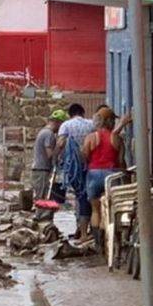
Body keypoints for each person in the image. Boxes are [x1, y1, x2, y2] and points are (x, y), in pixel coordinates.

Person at [81, 108, 126, 244]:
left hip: (93, 175)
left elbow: (85, 156)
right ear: (110, 121)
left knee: (95, 210)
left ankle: (98, 243)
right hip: (112, 175)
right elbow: (121, 161)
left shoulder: (91, 137)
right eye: (113, 120)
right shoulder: (117, 138)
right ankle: (109, 242)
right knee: (110, 209)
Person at [56, 103, 97, 240]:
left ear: (70, 114)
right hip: (91, 165)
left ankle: (82, 230)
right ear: (83, 113)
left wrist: (57, 158)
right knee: (90, 197)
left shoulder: (66, 125)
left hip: (74, 168)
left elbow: (60, 143)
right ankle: (86, 228)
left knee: (81, 197)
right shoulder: (91, 124)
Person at [31, 110, 66, 202]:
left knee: (40, 197)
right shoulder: (48, 134)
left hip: (39, 169)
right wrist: (59, 146)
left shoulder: (43, 132)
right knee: (41, 198)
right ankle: (40, 211)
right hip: (42, 170)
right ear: (58, 123)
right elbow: (49, 154)